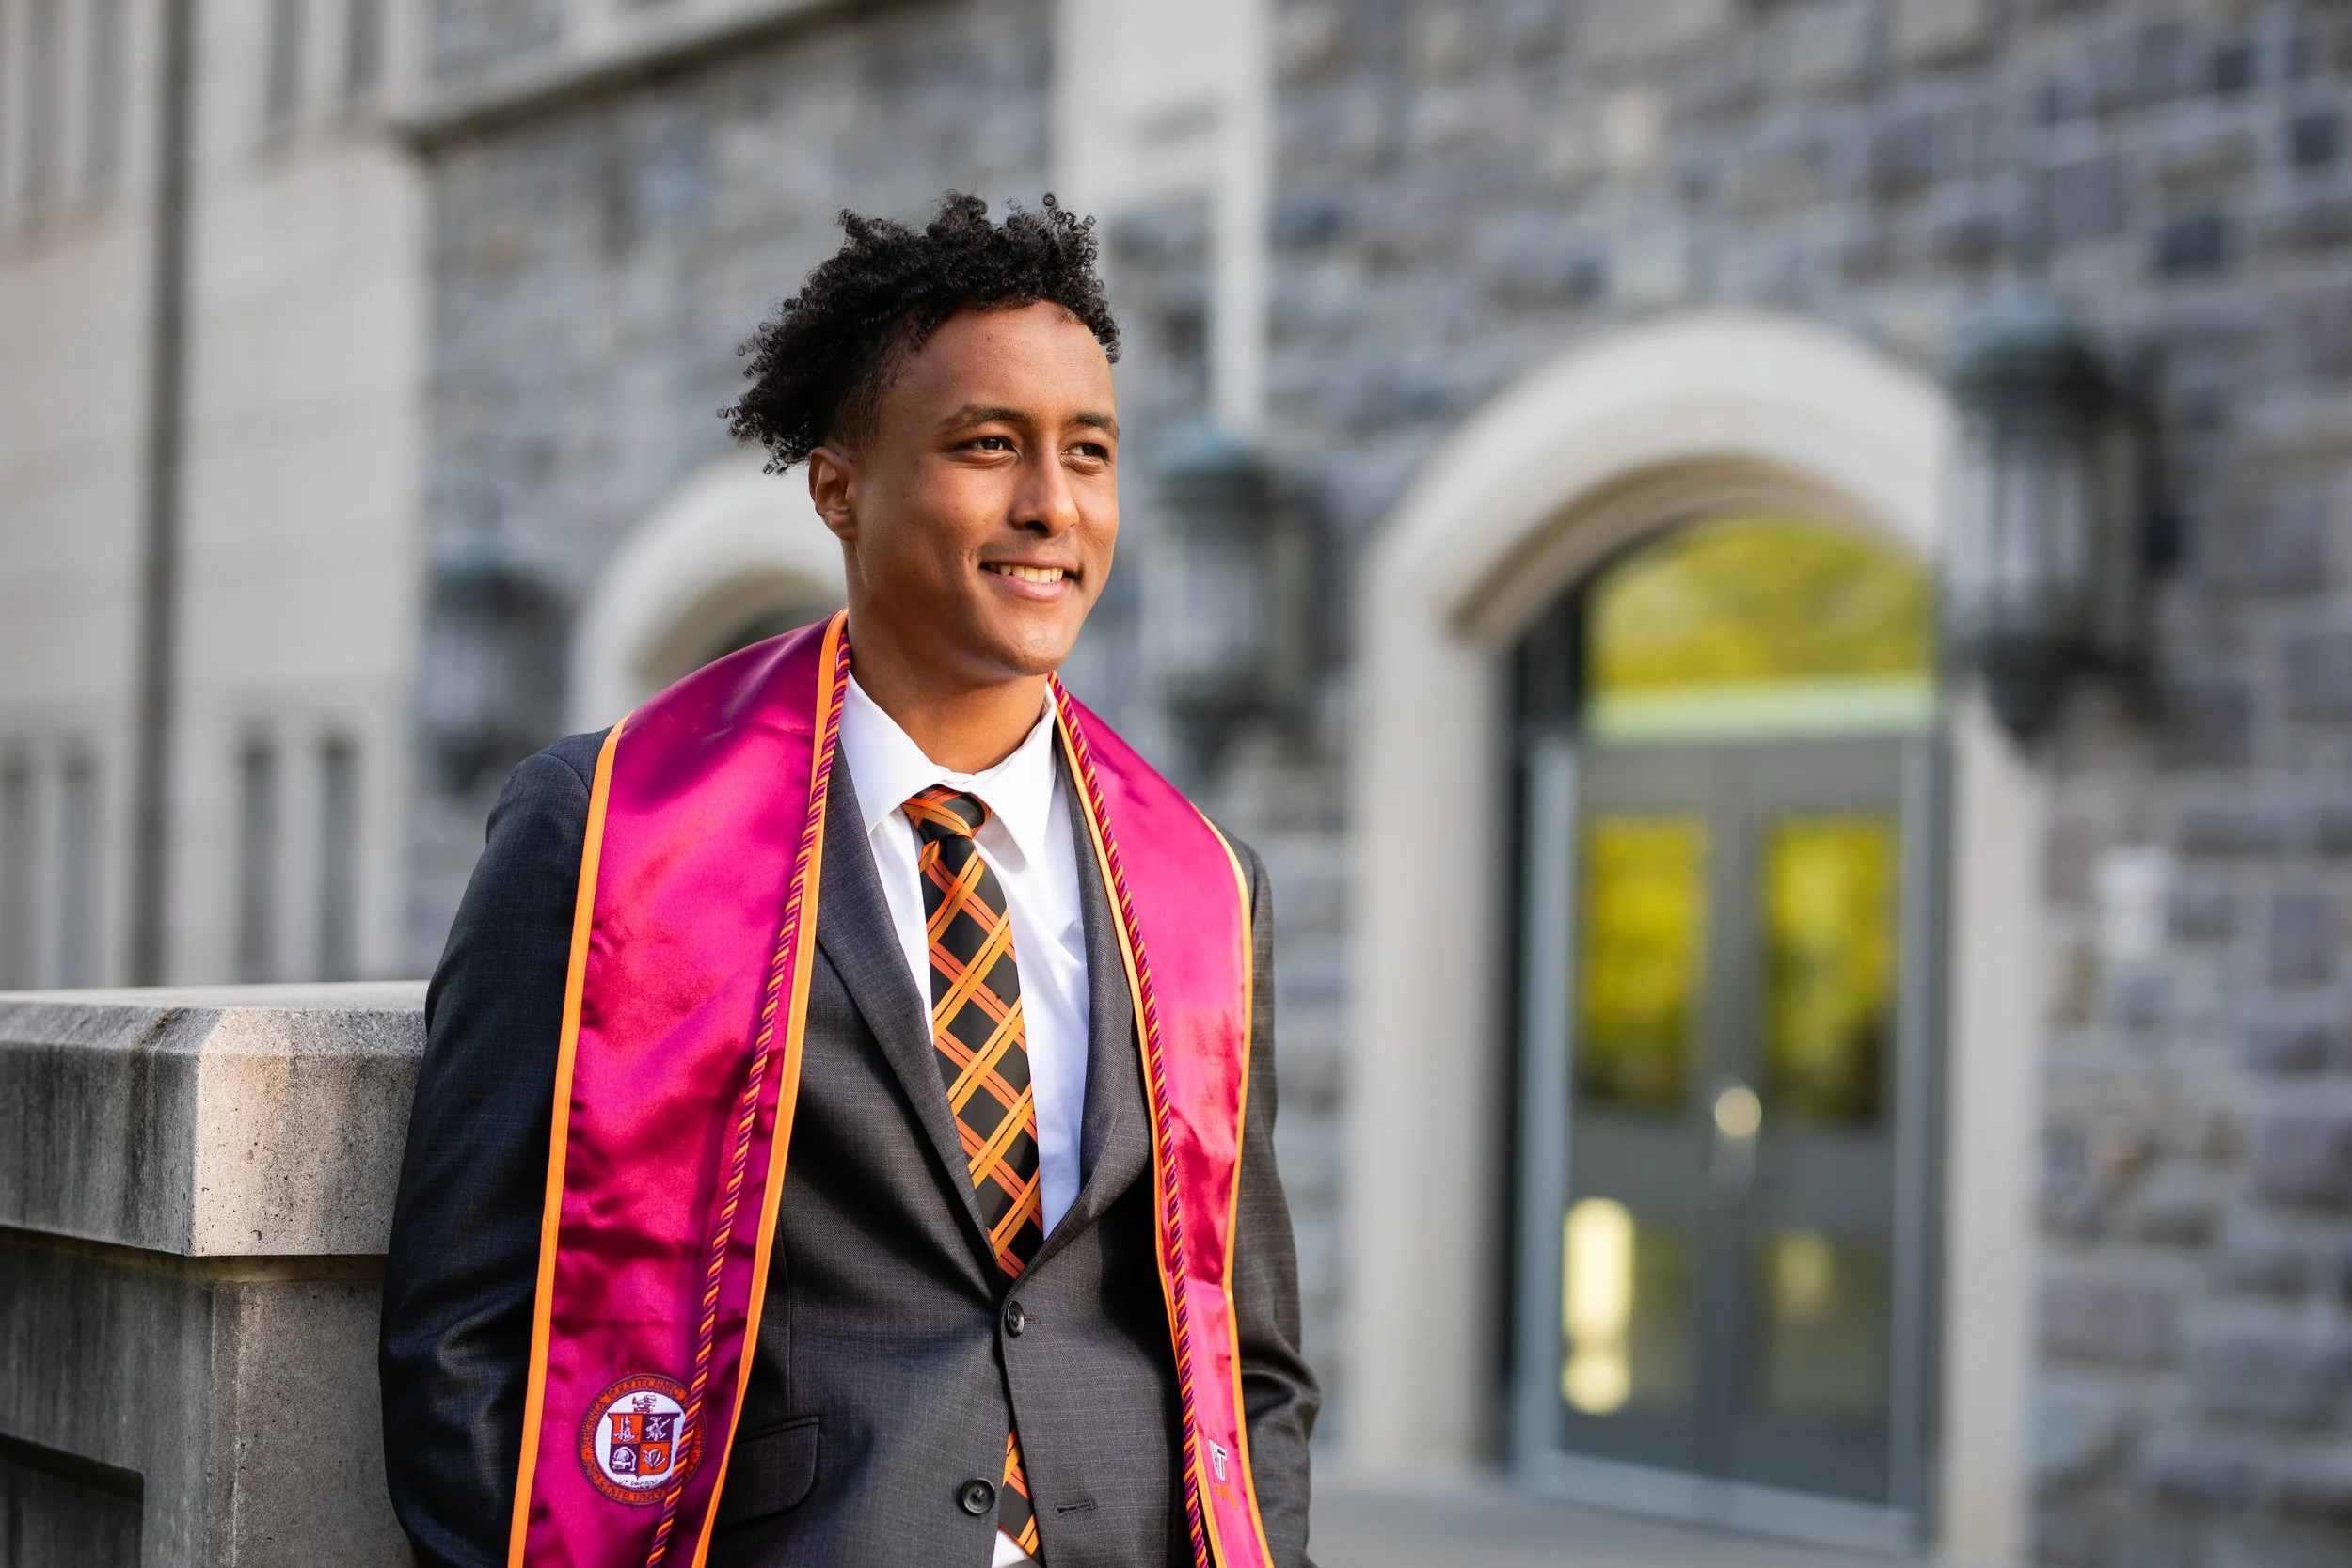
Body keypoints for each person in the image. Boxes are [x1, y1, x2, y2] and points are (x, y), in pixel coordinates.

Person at [379, 192, 1317, 1568]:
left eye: (1091, 452)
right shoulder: (608, 831)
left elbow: (1253, 1352)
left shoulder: (1201, 884)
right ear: (840, 488)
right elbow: (459, 1326)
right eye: (988, 446)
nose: (1052, 506)